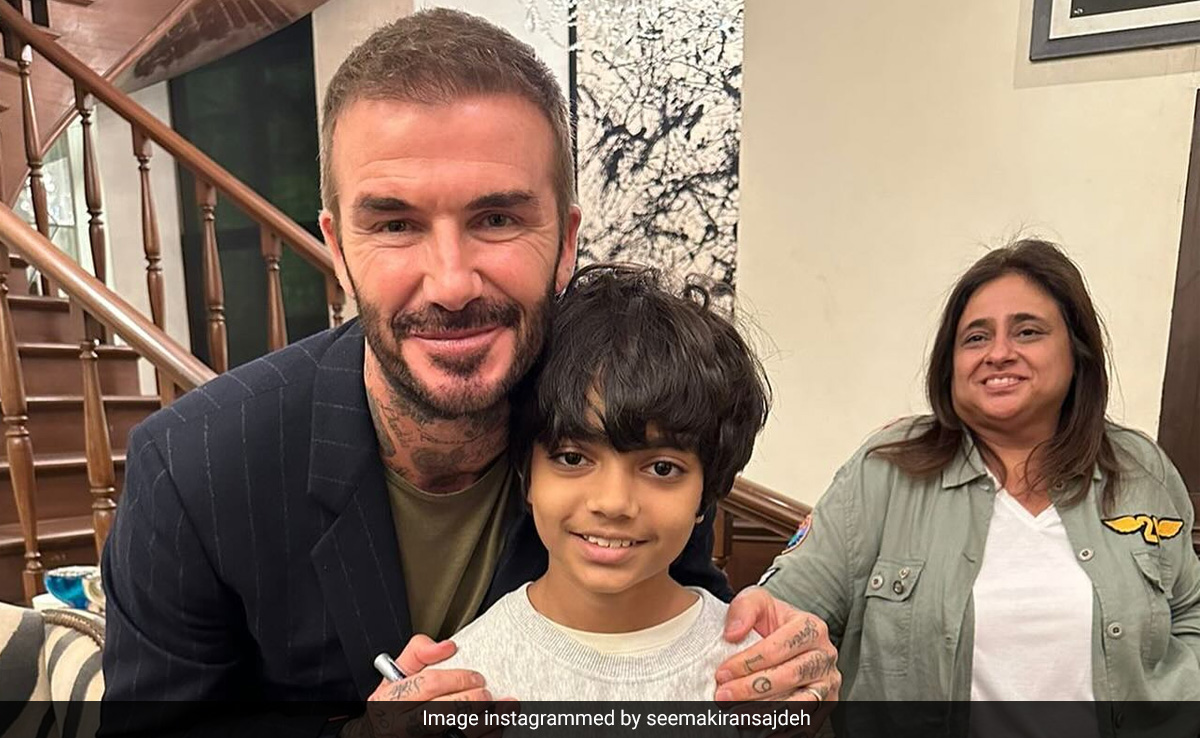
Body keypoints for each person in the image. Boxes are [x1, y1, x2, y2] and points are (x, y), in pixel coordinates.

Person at [100, 8, 840, 734]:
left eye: (497, 219)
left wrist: (770, 664)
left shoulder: (617, 406)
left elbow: (671, 608)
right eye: (395, 224)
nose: (452, 284)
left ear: (565, 240)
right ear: (338, 249)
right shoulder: (195, 469)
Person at [761, 240, 1200, 714]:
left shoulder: (1140, 468)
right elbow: (782, 614)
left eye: (1027, 332)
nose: (999, 353)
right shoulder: (884, 470)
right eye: (975, 338)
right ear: (950, 364)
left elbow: (1189, 612)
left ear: (1077, 352)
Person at [426, 263, 769, 699]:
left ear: (706, 492)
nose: (613, 502)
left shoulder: (761, 676)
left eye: (662, 468)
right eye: (573, 458)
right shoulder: (465, 678)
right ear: (527, 475)